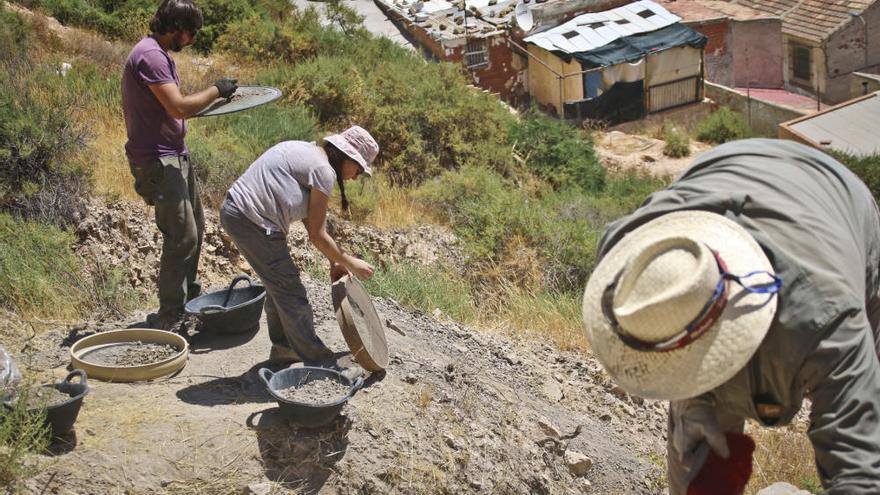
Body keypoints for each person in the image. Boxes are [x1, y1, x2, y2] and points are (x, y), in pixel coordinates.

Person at [581, 139, 880, 494]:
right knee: (696, 459)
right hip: (725, 166)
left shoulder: (826, 320)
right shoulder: (634, 269)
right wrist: (694, 402)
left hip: (834, 200)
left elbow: (858, 469)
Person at [121, 0, 238, 331]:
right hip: (157, 160)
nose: (192, 40)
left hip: (174, 155)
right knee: (182, 237)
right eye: (191, 33)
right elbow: (178, 107)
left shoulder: (160, 54)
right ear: (175, 28)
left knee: (195, 230)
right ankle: (170, 316)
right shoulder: (151, 56)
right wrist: (216, 89)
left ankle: (187, 303)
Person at [219, 126, 378, 367]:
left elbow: (310, 217)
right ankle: (321, 363)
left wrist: (335, 260)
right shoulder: (323, 170)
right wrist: (350, 263)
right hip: (252, 221)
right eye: (358, 168)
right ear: (346, 157)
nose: (356, 177)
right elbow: (317, 234)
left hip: (240, 214)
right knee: (291, 293)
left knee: (278, 287)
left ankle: (285, 348)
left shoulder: (307, 151)